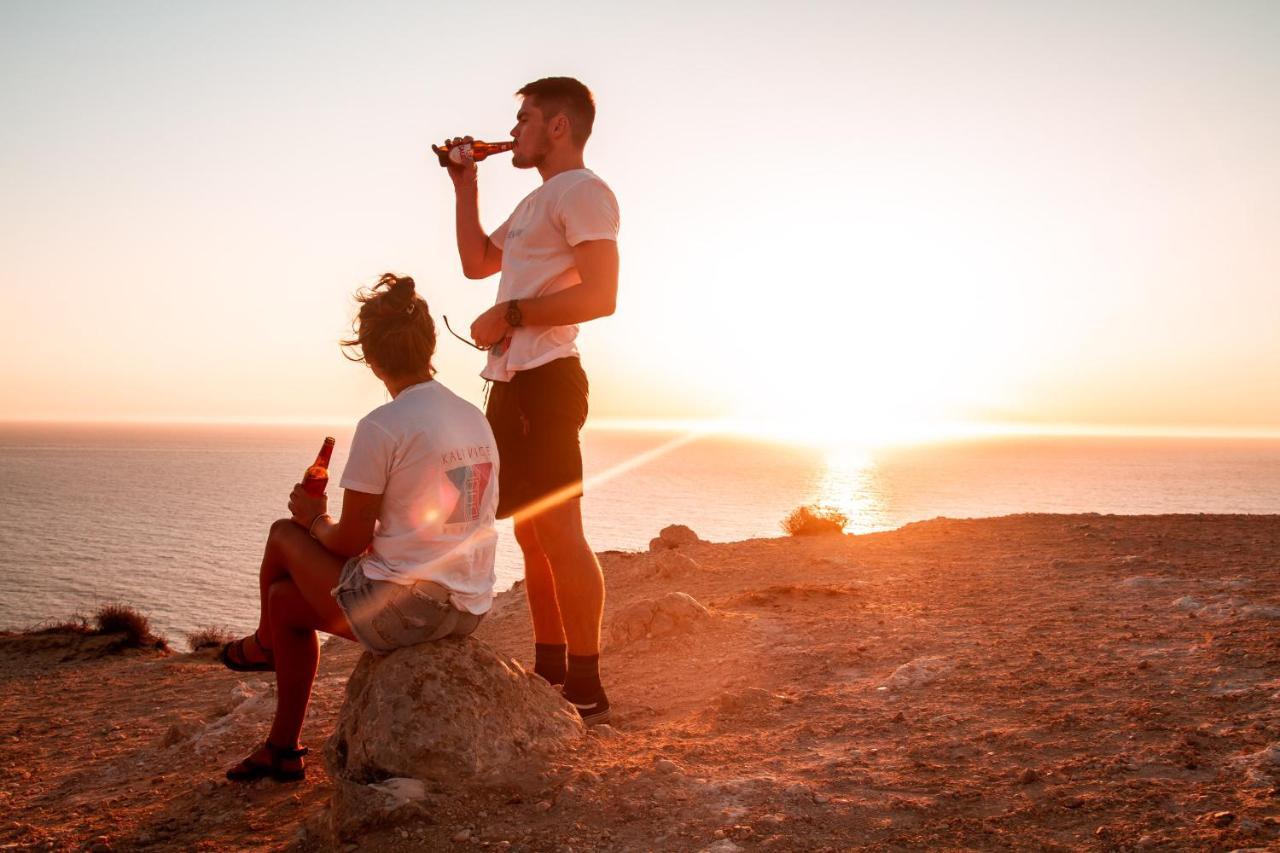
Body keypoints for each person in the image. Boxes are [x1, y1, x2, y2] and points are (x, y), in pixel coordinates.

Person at [217, 273, 499, 782]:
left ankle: (262, 646)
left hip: (410, 612)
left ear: (370, 359)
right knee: (285, 602)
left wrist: (314, 518)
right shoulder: (470, 417)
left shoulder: (383, 424)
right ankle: (283, 749)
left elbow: (347, 541)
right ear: (430, 346)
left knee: (284, 533)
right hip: (468, 605)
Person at [436, 76, 619, 723]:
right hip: (512, 383)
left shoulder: (584, 192)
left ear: (558, 127)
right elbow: (475, 260)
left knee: (562, 530)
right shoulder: (537, 201)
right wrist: (464, 183)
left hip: (549, 380)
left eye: (524, 120)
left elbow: (601, 295)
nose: (512, 131)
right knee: (530, 531)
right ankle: (548, 668)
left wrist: (512, 312)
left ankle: (588, 686)